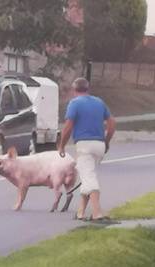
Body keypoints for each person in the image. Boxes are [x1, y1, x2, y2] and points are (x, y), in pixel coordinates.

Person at [58, 77, 115, 221]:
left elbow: (68, 127)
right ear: (87, 88)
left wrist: (62, 145)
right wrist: (106, 141)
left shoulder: (74, 103)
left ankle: (97, 212)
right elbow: (112, 123)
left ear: (74, 90)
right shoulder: (99, 102)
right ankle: (80, 212)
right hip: (99, 145)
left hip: (85, 145)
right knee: (86, 176)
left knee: (88, 177)